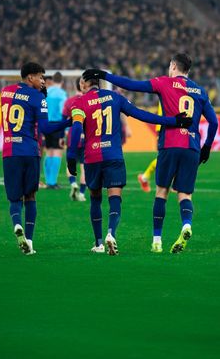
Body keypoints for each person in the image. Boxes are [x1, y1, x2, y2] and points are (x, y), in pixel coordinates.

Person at [82, 52, 218, 254]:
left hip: (170, 144)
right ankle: (186, 224)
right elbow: (214, 122)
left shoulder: (164, 83)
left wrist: (104, 75)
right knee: (185, 194)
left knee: (161, 191)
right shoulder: (199, 90)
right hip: (192, 146)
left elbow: (132, 85)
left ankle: (157, 241)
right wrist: (206, 147)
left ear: (173, 66)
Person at [67, 74, 192, 255]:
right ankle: (111, 233)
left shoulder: (79, 103)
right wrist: (174, 121)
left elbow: (77, 128)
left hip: (92, 156)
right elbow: (141, 115)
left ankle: (99, 243)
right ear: (100, 83)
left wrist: (71, 155)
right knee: (115, 198)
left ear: (83, 83)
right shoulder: (115, 97)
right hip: (114, 156)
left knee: (95, 198)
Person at [1, 62, 71, 255]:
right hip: (30, 151)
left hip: (9, 151)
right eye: (40, 77)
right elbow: (46, 128)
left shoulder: (5, 92)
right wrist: (70, 121)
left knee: (14, 198)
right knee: (30, 196)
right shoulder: (37, 97)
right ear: (30, 77)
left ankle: (17, 224)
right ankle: (29, 242)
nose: (43, 81)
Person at [63, 78, 87, 202]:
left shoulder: (69, 101)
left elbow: (64, 121)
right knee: (84, 167)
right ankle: (82, 194)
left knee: (70, 163)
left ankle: (73, 183)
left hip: (72, 137)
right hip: (86, 137)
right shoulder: (89, 101)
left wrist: (63, 136)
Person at [44, 71, 68, 189]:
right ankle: (53, 182)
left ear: (52, 81)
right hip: (58, 124)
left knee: (49, 151)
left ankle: (48, 180)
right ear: (62, 82)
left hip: (46, 124)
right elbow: (63, 111)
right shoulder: (62, 94)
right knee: (58, 152)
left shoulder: (47, 92)